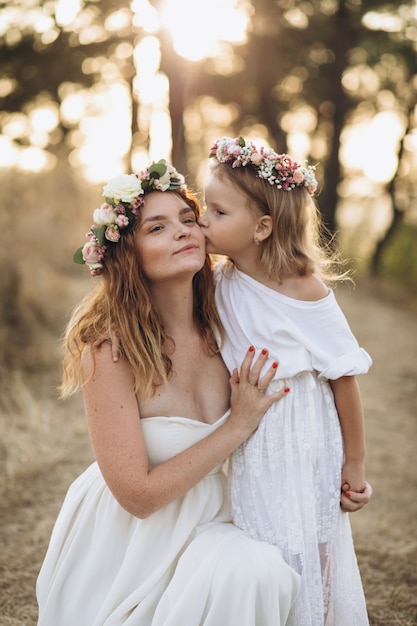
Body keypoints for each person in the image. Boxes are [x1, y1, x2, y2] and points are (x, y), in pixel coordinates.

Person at [36, 159, 301, 626]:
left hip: (212, 522)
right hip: (130, 543)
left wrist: (346, 468)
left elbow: (317, 334)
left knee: (255, 573)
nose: (183, 232)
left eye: (187, 219)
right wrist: (236, 426)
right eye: (157, 227)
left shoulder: (229, 321)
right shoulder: (110, 349)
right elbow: (137, 496)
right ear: (128, 255)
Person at [198, 136, 373, 626]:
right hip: (255, 440)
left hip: (308, 435)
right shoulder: (216, 281)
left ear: (262, 227)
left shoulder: (304, 288)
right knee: (264, 538)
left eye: (218, 211)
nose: (203, 220)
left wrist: (354, 465)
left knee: (311, 542)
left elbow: (344, 378)